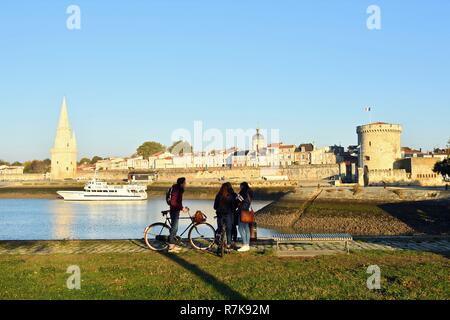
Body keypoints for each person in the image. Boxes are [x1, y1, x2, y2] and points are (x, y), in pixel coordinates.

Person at [167, 177, 188, 253]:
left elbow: (178, 201)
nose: (186, 184)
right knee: (174, 228)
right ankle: (171, 247)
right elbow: (173, 202)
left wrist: (182, 208)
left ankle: (173, 245)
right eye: (185, 183)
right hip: (174, 211)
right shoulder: (176, 189)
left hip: (176, 210)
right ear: (182, 183)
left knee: (174, 228)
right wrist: (182, 208)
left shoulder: (178, 189)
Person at [214, 182, 235, 248]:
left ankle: (218, 241)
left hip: (220, 214)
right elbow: (233, 207)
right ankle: (228, 244)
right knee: (229, 229)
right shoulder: (230, 196)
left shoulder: (218, 195)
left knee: (219, 228)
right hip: (228, 215)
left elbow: (215, 207)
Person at [236, 182, 253, 252]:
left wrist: (237, 196)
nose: (240, 187)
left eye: (240, 186)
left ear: (242, 186)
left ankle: (244, 244)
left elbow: (238, 200)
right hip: (247, 212)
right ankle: (247, 245)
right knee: (246, 228)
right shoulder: (250, 192)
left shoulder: (243, 192)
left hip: (242, 211)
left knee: (240, 228)